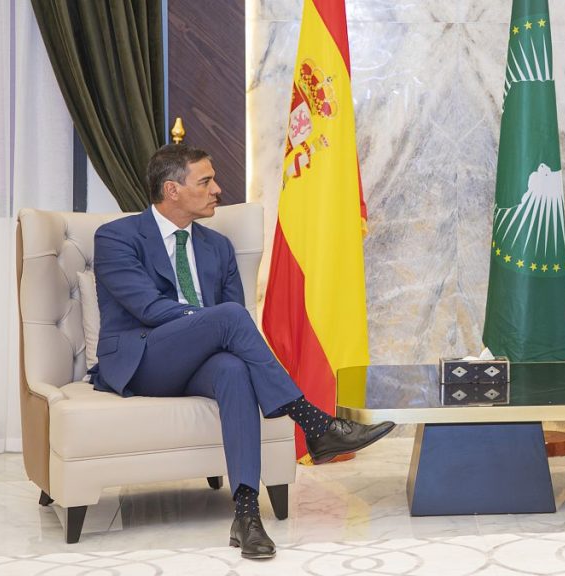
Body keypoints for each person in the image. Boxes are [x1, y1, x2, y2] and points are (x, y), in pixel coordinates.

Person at [90, 143, 394, 559]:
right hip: (142, 359)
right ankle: (315, 422)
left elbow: (234, 324)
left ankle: (247, 516)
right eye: (206, 181)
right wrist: (209, 321)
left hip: (201, 360)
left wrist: (214, 325)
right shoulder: (116, 237)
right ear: (172, 190)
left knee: (234, 370)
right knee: (230, 316)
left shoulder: (217, 247)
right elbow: (147, 308)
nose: (218, 189)